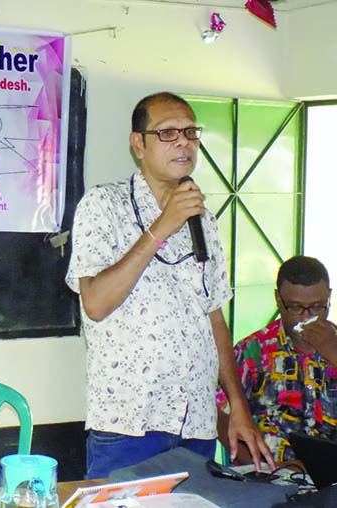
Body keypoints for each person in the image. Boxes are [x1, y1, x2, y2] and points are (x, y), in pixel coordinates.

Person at [65, 91, 274, 479]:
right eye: (167, 133)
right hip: (130, 424)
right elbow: (95, 302)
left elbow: (214, 318)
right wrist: (162, 227)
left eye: (190, 132)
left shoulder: (203, 219)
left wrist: (236, 407)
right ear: (138, 144)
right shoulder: (103, 205)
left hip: (195, 423)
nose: (183, 141)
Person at [216, 255, 337, 464]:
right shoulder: (253, 351)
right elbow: (218, 415)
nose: (307, 317)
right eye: (296, 307)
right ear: (278, 300)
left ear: (330, 297)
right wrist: (259, 467)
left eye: (318, 306)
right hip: (269, 479)